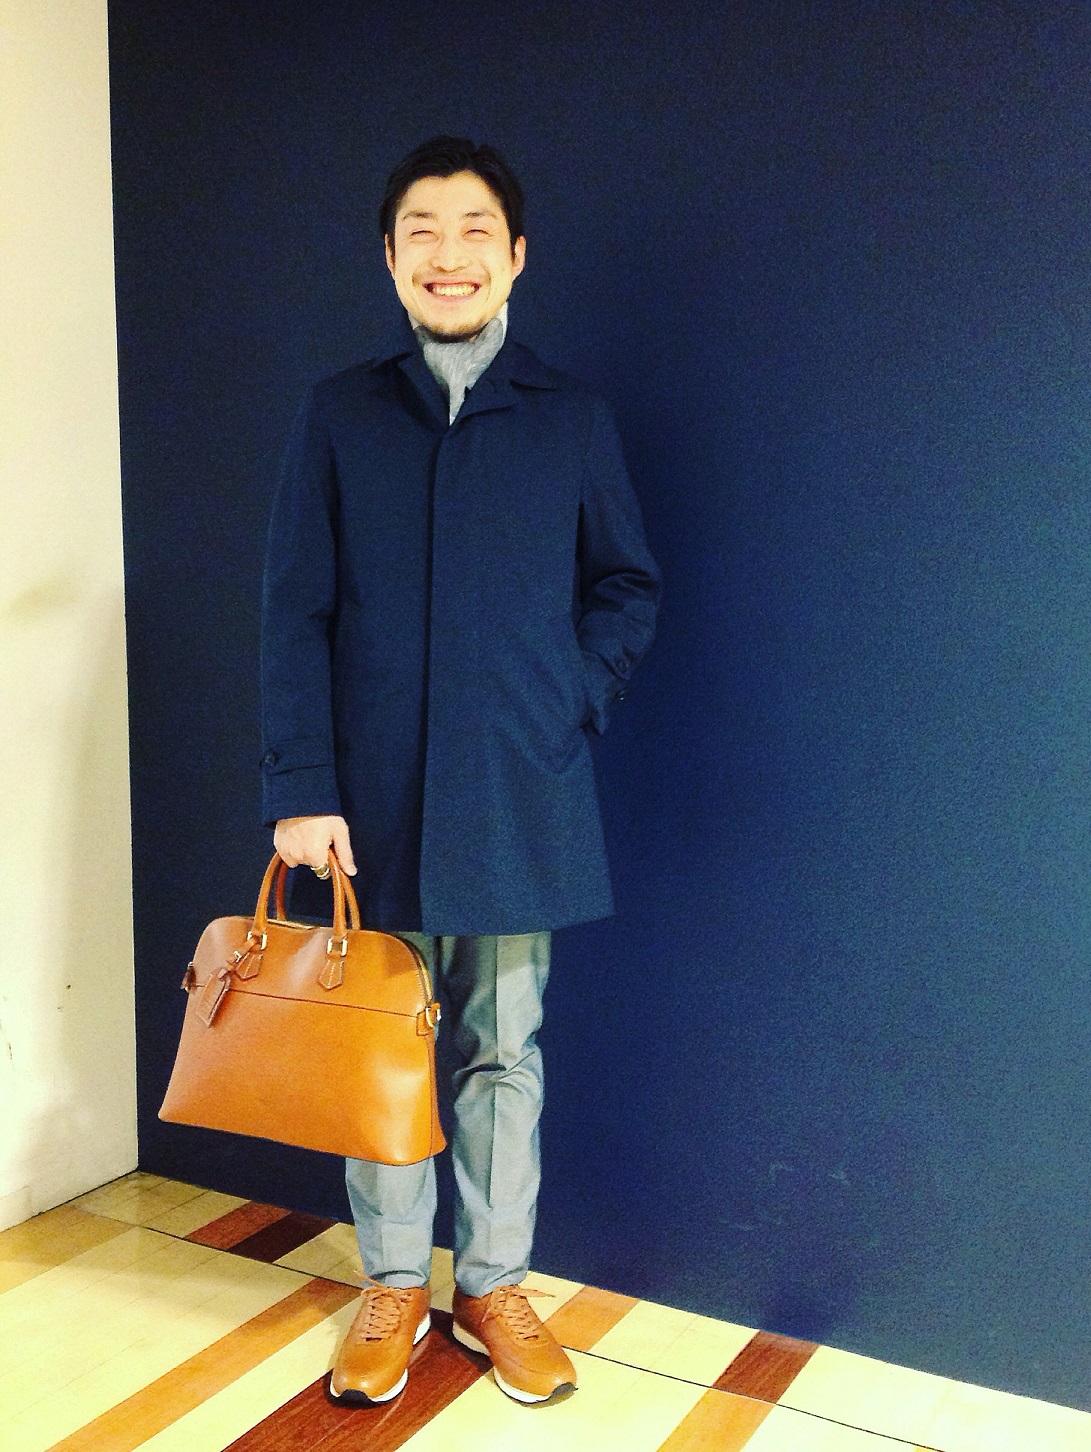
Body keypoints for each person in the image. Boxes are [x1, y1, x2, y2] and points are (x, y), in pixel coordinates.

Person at [260, 135, 660, 1408]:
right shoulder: (340, 412)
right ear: (389, 261)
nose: (449, 254)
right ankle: (391, 1283)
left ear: (516, 256)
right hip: (369, 800)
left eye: (474, 229)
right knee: (382, 1048)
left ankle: (491, 1285)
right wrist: (300, 786)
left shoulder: (569, 415)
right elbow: (293, 610)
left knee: (504, 1050)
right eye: (421, 232)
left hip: (519, 791)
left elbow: (625, 585)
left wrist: (565, 703)